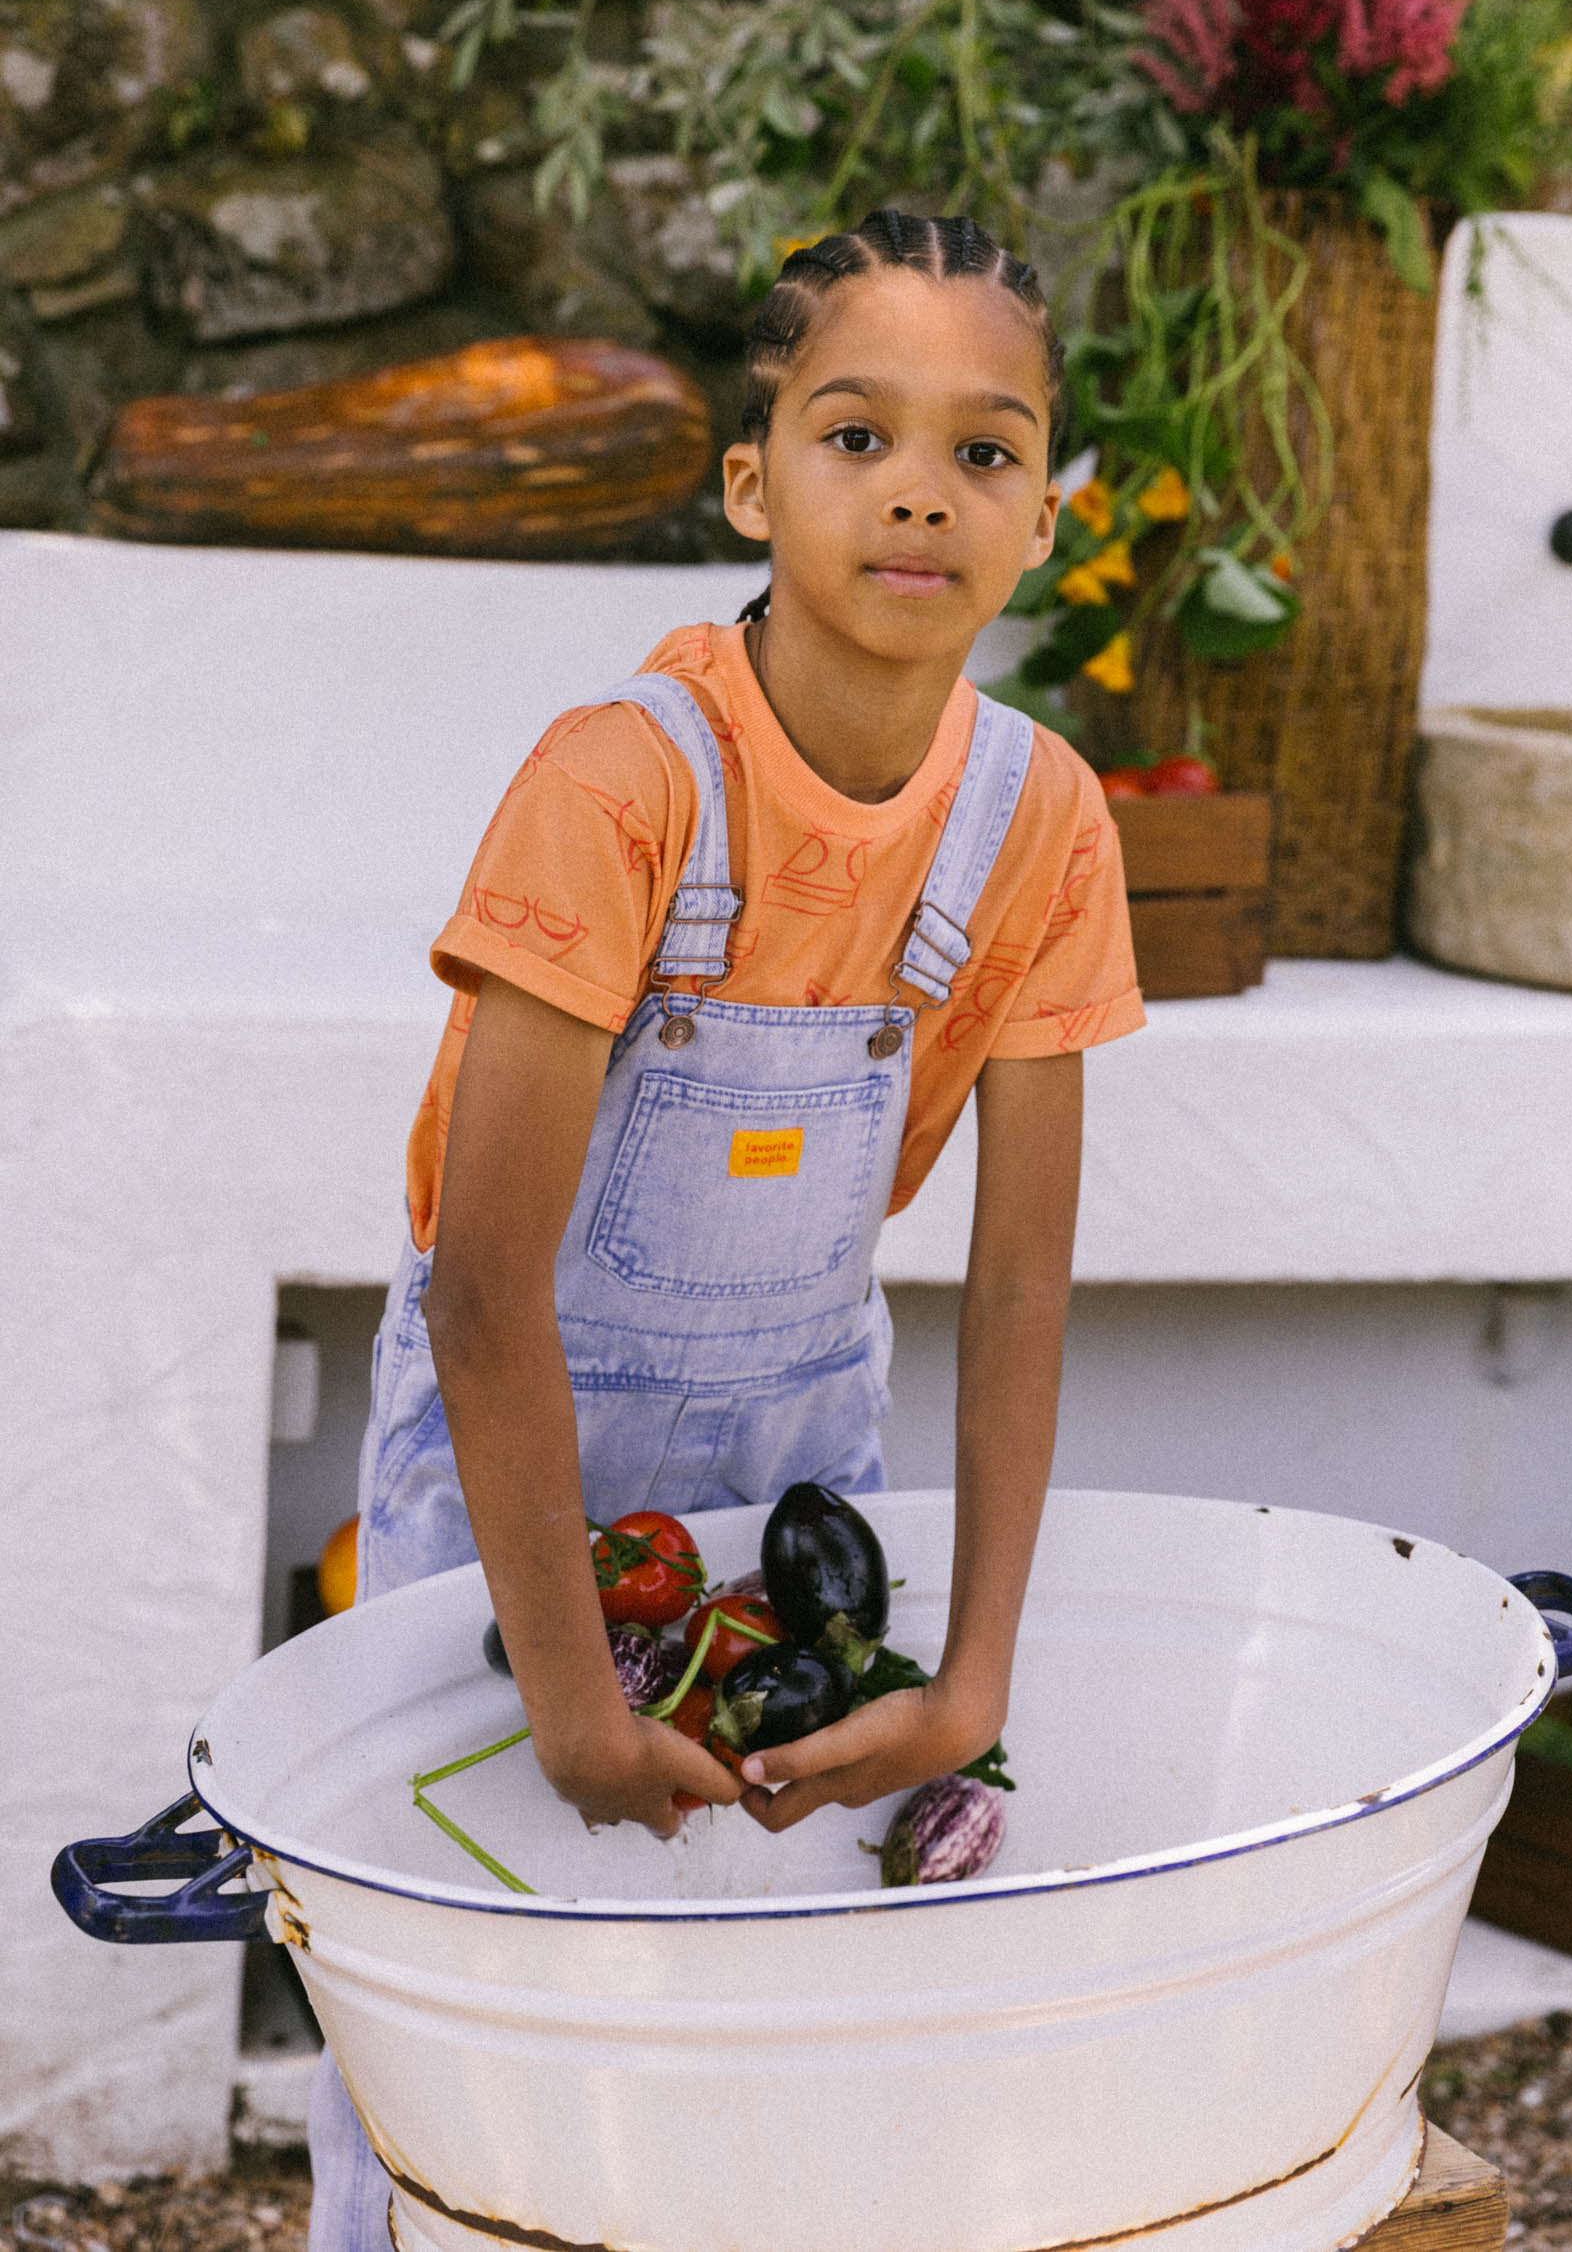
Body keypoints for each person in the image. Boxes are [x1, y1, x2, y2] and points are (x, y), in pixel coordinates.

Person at [308, 208, 1146, 2251]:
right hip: (516, 1482)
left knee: (765, 2032)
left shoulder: (1042, 824)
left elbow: (1020, 1286)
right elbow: (488, 1294)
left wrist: (970, 1679)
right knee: (454, 2032)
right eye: (858, 436)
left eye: (986, 449)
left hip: (796, 1467)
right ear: (752, 482)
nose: (922, 491)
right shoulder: (625, 787)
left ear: (1048, 514)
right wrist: (572, 1696)